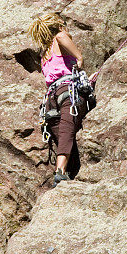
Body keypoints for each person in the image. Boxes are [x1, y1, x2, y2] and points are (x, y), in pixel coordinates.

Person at [27, 13, 95, 187]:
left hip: (51, 98)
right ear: (58, 25)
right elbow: (78, 60)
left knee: (61, 133)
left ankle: (65, 173)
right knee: (67, 128)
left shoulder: (45, 54)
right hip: (68, 90)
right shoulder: (60, 36)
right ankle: (61, 171)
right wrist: (79, 60)